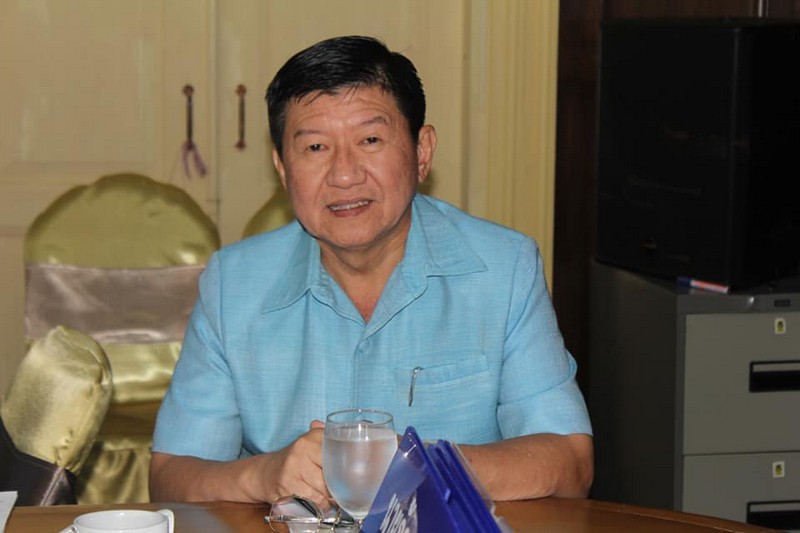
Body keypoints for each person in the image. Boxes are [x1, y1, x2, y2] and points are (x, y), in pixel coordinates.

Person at [150, 35, 593, 508]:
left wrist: (421, 466)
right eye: (315, 146)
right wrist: (264, 475)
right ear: (281, 168)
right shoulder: (232, 284)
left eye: (370, 140)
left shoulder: (504, 268)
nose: (344, 174)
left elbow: (570, 462)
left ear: (422, 151)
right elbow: (170, 477)